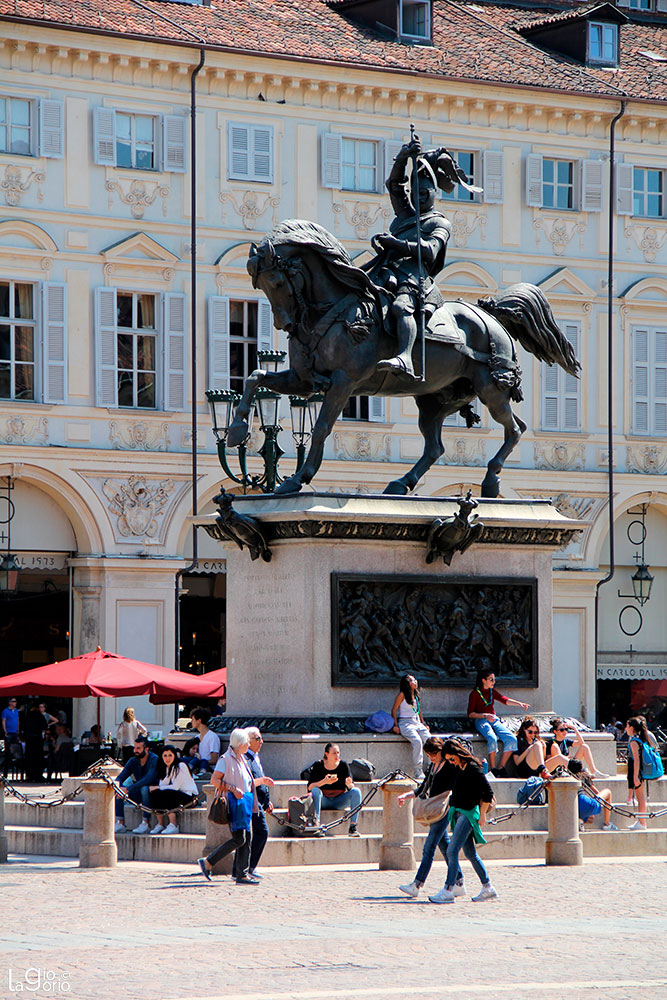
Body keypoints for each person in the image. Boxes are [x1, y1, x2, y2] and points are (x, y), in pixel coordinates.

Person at [366, 139, 462, 378]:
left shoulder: (439, 222)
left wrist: (396, 244)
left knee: (400, 307)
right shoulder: (405, 215)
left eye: (423, 193)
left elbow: (430, 250)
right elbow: (394, 185)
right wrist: (402, 156)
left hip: (415, 277)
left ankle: (406, 358)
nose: (417, 197)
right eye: (414, 192)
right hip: (388, 270)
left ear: (433, 193)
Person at [429, 738, 498, 904]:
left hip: (468, 813)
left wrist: (482, 815)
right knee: (470, 853)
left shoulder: (473, 768)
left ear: (458, 754)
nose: (451, 762)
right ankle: (488, 887)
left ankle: (448, 889)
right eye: (448, 760)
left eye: (452, 758)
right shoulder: (459, 767)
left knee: (452, 850)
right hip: (459, 813)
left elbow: (488, 793)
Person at [396, 737, 465, 898]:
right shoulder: (433, 765)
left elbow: (460, 779)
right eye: (429, 755)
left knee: (429, 848)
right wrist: (407, 795)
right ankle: (459, 881)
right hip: (434, 809)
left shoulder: (449, 765)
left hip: (444, 809)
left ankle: (417, 884)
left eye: (434, 754)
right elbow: (424, 786)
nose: (432, 757)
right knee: (446, 847)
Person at [197, 728, 268, 884]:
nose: (249, 745)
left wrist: (262, 781)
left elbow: (246, 783)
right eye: (246, 743)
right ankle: (209, 861)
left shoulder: (242, 759)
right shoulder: (225, 759)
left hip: (246, 802)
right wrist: (231, 788)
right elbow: (214, 780)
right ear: (240, 744)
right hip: (234, 803)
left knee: (246, 838)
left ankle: (240, 873)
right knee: (239, 839)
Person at [467, 668, 529, 775]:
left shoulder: (492, 691)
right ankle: (493, 768)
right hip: (481, 720)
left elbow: (504, 699)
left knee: (511, 739)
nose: (493, 682)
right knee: (492, 737)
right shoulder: (475, 693)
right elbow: (470, 714)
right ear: (483, 680)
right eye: (491, 680)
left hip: (494, 720)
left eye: (494, 680)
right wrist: (485, 715)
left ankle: (501, 767)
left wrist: (519, 703)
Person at [232, 727, 274, 879]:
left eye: (261, 738)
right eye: (258, 739)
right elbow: (250, 782)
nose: (261, 742)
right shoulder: (246, 759)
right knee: (258, 833)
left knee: (248, 836)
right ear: (248, 741)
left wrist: (267, 801)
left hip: (258, 803)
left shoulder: (255, 757)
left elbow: (260, 780)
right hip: (250, 802)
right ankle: (246, 868)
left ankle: (242, 869)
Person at [306, 743, 362, 836]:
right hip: (323, 800)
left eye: (338, 753)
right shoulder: (318, 765)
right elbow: (310, 787)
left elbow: (351, 786)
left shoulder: (343, 765)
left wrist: (349, 785)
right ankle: (317, 825)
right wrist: (324, 782)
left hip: (339, 800)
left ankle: (353, 827)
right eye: (334, 753)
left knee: (356, 791)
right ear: (326, 754)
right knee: (316, 790)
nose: (337, 755)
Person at [114, 735, 159, 835]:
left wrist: (128, 789)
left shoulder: (154, 759)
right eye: (134, 748)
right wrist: (118, 786)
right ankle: (120, 822)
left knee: (144, 788)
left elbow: (148, 779)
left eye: (138, 748)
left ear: (146, 749)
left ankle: (146, 823)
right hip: (139, 793)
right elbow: (121, 777)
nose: (135, 751)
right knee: (119, 789)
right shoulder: (133, 760)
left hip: (154, 794)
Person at [148, 745, 198, 835]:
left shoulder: (181, 766)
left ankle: (173, 825)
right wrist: (157, 788)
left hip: (190, 797)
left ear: (174, 755)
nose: (168, 758)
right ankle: (160, 824)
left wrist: (159, 788)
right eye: (165, 756)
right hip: (178, 794)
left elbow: (175, 787)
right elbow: (162, 785)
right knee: (156, 793)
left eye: (170, 755)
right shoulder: (167, 768)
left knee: (168, 793)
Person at [392, 673, 430, 781]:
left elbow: (419, 711)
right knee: (417, 741)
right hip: (405, 723)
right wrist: (395, 725)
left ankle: (432, 767)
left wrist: (423, 723)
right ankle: (418, 770)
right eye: (413, 680)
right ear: (407, 683)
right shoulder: (402, 694)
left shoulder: (417, 695)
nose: (416, 682)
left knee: (430, 740)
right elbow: (394, 710)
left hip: (417, 722)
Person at [625, 715, 659, 830]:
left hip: (638, 773)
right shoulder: (641, 739)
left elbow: (636, 760)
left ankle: (642, 822)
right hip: (642, 772)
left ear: (631, 727)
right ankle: (641, 821)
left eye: (627, 726)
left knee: (640, 798)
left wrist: (635, 777)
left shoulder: (634, 742)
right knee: (641, 797)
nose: (625, 728)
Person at [569, 761, 617, 832]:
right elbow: (596, 792)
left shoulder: (566, 777)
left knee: (589, 818)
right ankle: (607, 824)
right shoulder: (583, 775)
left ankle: (580, 821)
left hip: (572, 805)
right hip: (583, 801)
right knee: (608, 792)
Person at [23, 702, 46, 782]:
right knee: (38, 757)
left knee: (29, 757)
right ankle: (38, 775)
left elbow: (24, 727)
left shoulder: (28, 716)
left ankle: (30, 775)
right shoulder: (40, 716)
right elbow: (44, 726)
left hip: (29, 740)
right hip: (38, 739)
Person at [2, 696, 20, 774]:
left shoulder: (16, 711)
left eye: (15, 701)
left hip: (15, 732)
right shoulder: (5, 711)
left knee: (15, 750)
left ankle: (15, 767)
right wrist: (5, 730)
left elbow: (17, 720)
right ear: (9, 702)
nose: (14, 703)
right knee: (8, 751)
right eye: (13, 701)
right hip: (9, 732)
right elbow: (3, 721)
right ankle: (6, 770)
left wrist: (18, 729)